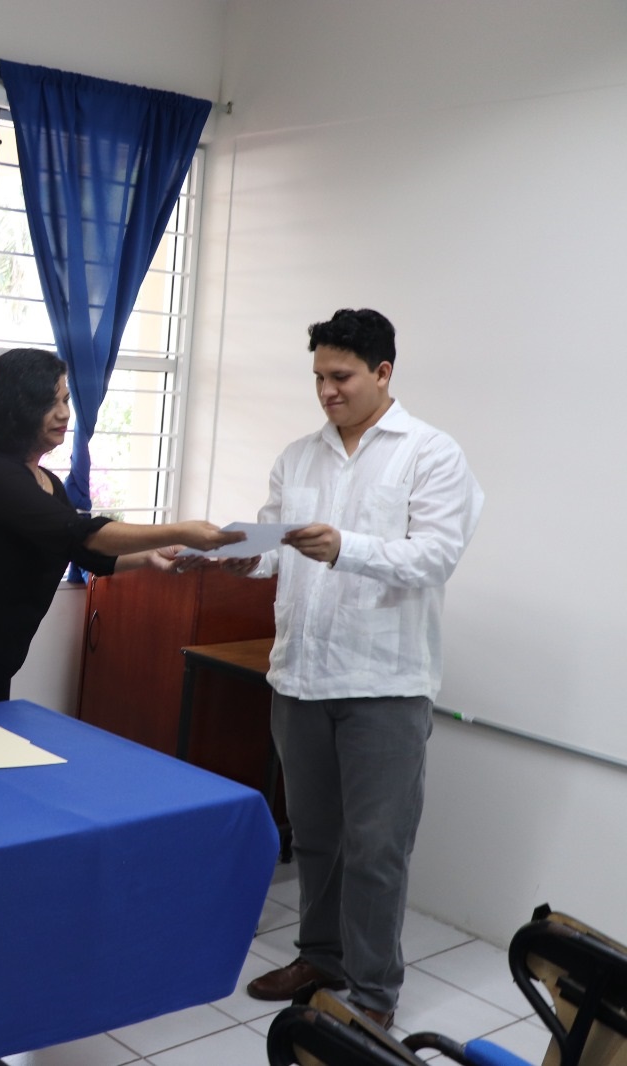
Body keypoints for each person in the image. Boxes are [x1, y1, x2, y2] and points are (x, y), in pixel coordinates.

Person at [228, 309, 483, 1028]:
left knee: (376, 849)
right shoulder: (298, 456)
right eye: (318, 377)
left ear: (383, 372)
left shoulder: (431, 454)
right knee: (315, 837)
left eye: (340, 377)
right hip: (299, 677)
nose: (326, 391)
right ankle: (320, 957)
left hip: (384, 684)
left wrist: (346, 547)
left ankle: (372, 995)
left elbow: (435, 557)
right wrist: (246, 558)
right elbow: (278, 545)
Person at [0, 347, 244, 714]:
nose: (64, 413)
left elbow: (86, 552)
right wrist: (178, 531)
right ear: (17, 408)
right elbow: (81, 532)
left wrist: (151, 557)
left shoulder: (47, 484)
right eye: (50, 402)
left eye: (66, 400)